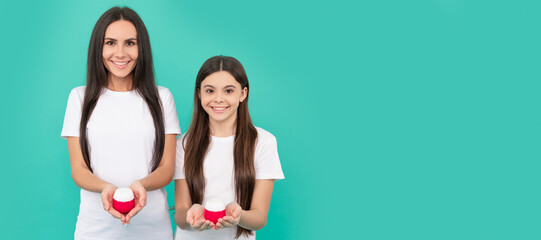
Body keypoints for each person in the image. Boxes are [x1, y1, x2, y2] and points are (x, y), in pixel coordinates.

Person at [61, 7, 180, 240]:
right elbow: (78, 169)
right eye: (111, 42)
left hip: (153, 228)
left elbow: (167, 169)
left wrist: (141, 185)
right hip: (94, 228)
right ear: (99, 47)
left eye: (130, 43)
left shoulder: (162, 97)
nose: (120, 53)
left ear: (141, 48)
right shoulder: (79, 98)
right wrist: (106, 188)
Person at [173, 56, 284, 240]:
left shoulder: (264, 142)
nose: (218, 99)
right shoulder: (184, 144)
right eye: (210, 90)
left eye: (228, 91)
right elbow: (180, 216)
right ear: (199, 94)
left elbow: (260, 217)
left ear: (243, 94)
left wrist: (239, 216)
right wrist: (190, 215)